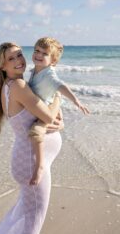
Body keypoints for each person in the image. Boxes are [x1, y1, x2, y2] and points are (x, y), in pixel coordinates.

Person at [0, 42, 63, 234]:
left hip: (25, 159)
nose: (18, 61)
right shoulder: (19, 86)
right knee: (33, 219)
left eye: (19, 55)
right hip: (32, 163)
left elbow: (42, 117)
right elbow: (48, 117)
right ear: (2, 66)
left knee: (23, 213)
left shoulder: (7, 85)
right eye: (11, 58)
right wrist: (58, 97)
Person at [28, 37, 90, 186]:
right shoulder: (36, 69)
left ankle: (39, 166)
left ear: (53, 61)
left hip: (48, 107)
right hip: (47, 103)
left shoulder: (49, 74)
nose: (39, 55)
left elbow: (61, 86)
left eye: (45, 54)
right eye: (37, 51)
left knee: (36, 130)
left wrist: (76, 101)